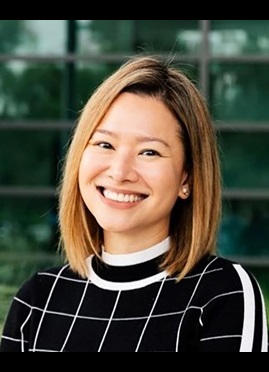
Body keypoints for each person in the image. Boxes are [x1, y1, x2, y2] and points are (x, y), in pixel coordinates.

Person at [0, 54, 268, 353]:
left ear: (187, 179)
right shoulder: (38, 299)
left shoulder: (220, 293)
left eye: (149, 152)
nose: (120, 172)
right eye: (105, 145)